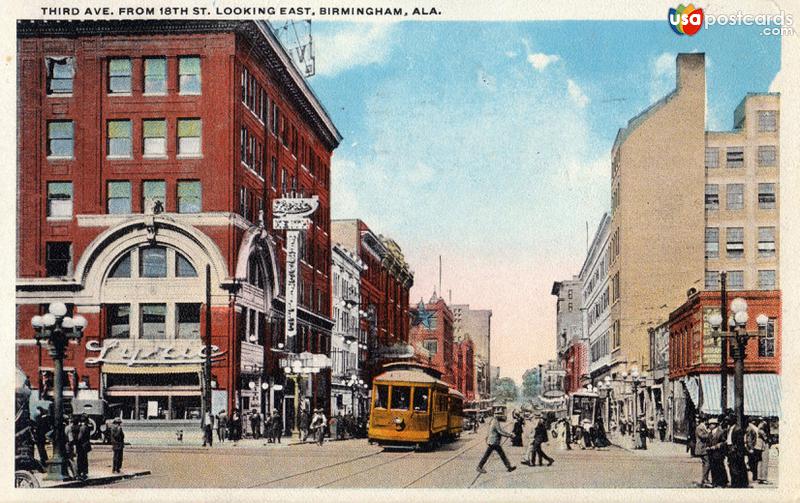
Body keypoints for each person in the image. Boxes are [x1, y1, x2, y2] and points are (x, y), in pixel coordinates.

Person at [476, 409, 516, 474]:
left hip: (492, 441)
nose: (500, 415)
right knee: (499, 455)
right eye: (499, 414)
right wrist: (510, 435)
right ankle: (479, 467)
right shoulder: (495, 422)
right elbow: (500, 431)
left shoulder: (493, 420)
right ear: (496, 415)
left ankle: (509, 467)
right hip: (494, 441)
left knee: (492, 454)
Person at [726, 413, 748, 488]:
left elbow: (739, 443)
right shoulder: (730, 429)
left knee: (736, 469)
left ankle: (738, 484)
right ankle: (734, 482)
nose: (727, 421)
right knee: (732, 468)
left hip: (735, 452)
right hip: (730, 451)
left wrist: (735, 449)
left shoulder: (737, 429)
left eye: (729, 419)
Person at [707, 417, 728, 487]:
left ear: (715, 425)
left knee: (720, 468)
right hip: (711, 453)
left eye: (711, 424)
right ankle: (714, 482)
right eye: (709, 424)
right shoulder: (710, 433)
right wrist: (708, 447)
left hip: (719, 453)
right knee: (713, 468)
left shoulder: (720, 432)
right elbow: (708, 442)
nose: (709, 426)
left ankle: (722, 482)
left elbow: (724, 442)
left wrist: (716, 446)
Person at [694, 414, 712, 488]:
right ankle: (704, 479)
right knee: (707, 463)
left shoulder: (703, 427)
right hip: (702, 448)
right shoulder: (699, 428)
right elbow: (702, 436)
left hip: (703, 448)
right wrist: (710, 433)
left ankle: (705, 478)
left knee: (705, 463)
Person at [745, 417, 762, 483]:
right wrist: (751, 448)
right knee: (753, 463)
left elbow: (749, 439)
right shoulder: (752, 428)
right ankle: (754, 477)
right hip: (753, 447)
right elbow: (750, 439)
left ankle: (754, 477)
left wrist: (751, 447)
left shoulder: (750, 428)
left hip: (752, 447)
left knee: (752, 463)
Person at [75, 414, 92, 481]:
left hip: (81, 446)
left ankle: (81, 472)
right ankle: (85, 472)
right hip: (86, 445)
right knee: (85, 459)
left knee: (80, 459)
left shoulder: (82, 427)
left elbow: (79, 437)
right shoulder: (87, 426)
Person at [756, 418, 770, 484]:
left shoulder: (760, 424)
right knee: (765, 461)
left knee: (760, 461)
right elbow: (761, 431)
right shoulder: (764, 423)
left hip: (759, 445)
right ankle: (764, 478)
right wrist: (766, 437)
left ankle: (760, 477)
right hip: (763, 445)